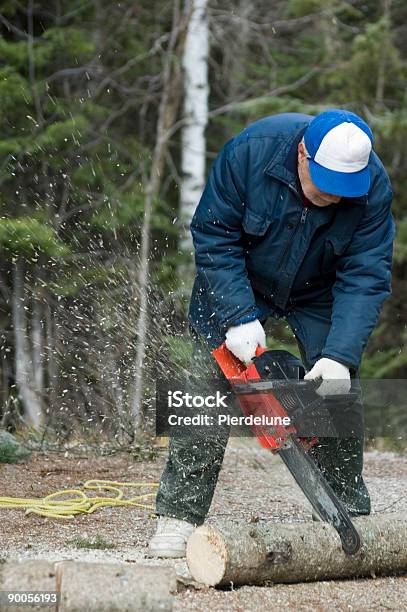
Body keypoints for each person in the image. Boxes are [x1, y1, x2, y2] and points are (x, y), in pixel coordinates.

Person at [148, 109, 396, 558]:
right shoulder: (250, 152)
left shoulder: (371, 184)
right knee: (204, 388)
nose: (334, 198)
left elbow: (365, 274)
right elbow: (213, 232)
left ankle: (347, 513)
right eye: (325, 184)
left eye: (344, 191)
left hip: (319, 288)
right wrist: (238, 315)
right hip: (239, 278)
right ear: (303, 153)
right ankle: (178, 517)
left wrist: (339, 354)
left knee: (336, 393)